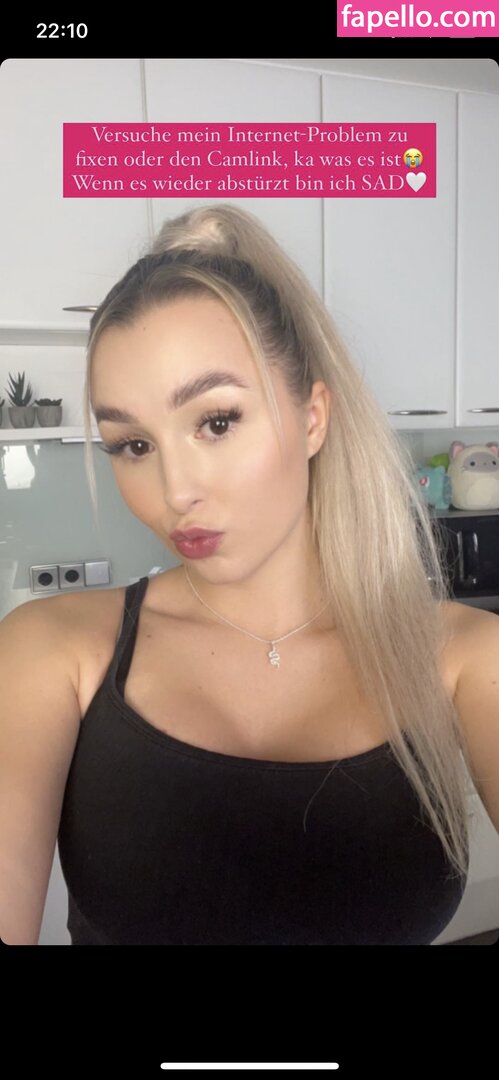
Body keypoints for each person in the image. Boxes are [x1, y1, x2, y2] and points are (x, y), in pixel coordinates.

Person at [0, 204, 483, 945]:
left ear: (312, 418)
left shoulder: (463, 658)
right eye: (133, 445)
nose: (175, 492)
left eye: (217, 421)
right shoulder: (49, 651)